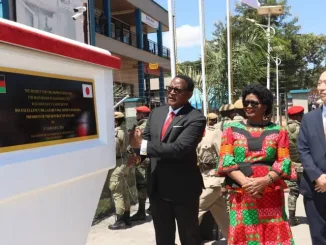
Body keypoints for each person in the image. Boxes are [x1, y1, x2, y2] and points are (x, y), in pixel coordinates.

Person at [129, 75, 206, 245]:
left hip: (183, 191)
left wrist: (143, 146)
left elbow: (180, 149)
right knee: (163, 238)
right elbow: (146, 140)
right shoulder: (157, 113)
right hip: (157, 190)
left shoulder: (195, 118)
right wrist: (137, 156)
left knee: (189, 238)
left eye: (177, 90)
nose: (171, 93)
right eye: (169, 89)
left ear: (189, 94)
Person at [217, 84, 296, 245]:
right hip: (241, 193)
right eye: (246, 102)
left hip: (270, 193)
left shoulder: (279, 131)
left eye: (254, 103)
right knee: (244, 235)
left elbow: (284, 162)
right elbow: (226, 160)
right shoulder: (231, 130)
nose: (249, 106)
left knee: (273, 235)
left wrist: (264, 181)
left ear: (265, 106)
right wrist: (248, 184)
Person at [298, 71, 326, 245]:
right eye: (320, 82)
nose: (321, 87)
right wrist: (318, 176)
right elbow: (303, 150)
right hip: (314, 189)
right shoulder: (309, 119)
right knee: (318, 237)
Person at [197, 112, 229, 239]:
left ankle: (187, 241)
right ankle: (234, 240)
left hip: (214, 179)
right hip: (201, 177)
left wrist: (225, 181)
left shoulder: (214, 133)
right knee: (222, 216)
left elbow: (224, 157)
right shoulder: (193, 135)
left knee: (194, 210)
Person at [108, 112, 130, 230]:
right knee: (124, 191)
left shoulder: (116, 133)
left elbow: (115, 149)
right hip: (124, 163)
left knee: (117, 192)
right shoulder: (124, 131)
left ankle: (120, 220)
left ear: (116, 121)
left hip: (118, 164)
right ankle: (127, 218)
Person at [129, 105, 151, 221]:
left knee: (141, 185)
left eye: (137, 114)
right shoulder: (152, 124)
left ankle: (141, 212)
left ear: (141, 115)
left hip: (142, 159)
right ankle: (152, 207)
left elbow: (140, 144)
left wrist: (139, 156)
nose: (136, 116)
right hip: (152, 158)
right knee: (151, 183)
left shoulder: (141, 127)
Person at [285, 105, 304, 226]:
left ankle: (291, 218)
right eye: (301, 115)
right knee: (311, 192)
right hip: (303, 166)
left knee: (293, 192)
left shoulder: (282, 129)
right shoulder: (302, 129)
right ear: (297, 116)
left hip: (290, 166)